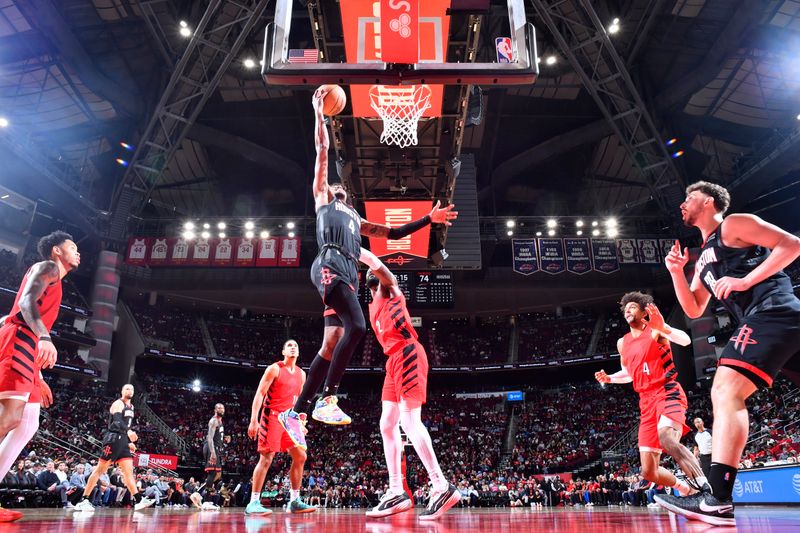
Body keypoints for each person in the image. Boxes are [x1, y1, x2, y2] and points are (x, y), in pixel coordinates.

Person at [278, 87, 457, 449]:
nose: (339, 186)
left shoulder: (355, 220)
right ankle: (329, 398)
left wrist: (429, 218)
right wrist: (319, 114)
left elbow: (393, 233)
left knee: (331, 343)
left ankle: (295, 412)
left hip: (345, 271)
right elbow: (323, 151)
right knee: (358, 326)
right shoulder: (324, 199)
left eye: (343, 187)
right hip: (328, 264)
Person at [655, 181, 800, 526]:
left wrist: (746, 280)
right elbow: (693, 309)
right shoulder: (704, 254)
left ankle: (718, 499)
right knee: (726, 390)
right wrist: (676, 272)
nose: (682, 204)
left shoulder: (733, 224)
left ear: (708, 201)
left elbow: (792, 245)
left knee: (724, 389)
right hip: (775, 321)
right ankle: (717, 498)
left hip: (773, 312)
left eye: (688, 198)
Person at [360, 248, 460, 520]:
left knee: (409, 422)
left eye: (377, 280)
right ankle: (396, 491)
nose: (376, 284)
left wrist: (357, 251)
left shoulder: (393, 292)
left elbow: (383, 272)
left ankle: (441, 485)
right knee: (386, 424)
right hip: (393, 361)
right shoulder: (372, 308)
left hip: (407, 352)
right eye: (372, 282)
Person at [595, 292, 707, 500]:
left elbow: (685, 340)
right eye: (625, 308)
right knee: (648, 471)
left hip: (667, 391)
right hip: (645, 401)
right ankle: (685, 489)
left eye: (633, 307)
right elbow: (629, 373)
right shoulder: (623, 342)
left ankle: (706, 490)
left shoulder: (655, 330)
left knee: (666, 437)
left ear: (644, 311)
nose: (628, 309)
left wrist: (664, 327)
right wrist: (610, 378)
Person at [0, 231, 79, 522]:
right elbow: (24, 304)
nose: (78, 252)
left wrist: (37, 375)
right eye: (73, 247)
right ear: (57, 251)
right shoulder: (46, 267)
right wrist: (44, 337)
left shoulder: (56, 280)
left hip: (27, 347)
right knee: (9, 418)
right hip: (21, 338)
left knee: (28, 423)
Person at [245, 339, 315, 516]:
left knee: (300, 456)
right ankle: (253, 502)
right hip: (273, 416)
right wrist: (254, 419)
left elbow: (300, 402)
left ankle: (295, 501)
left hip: (290, 419)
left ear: (298, 353)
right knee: (267, 458)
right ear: (283, 351)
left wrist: (301, 423)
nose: (293, 348)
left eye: (296, 346)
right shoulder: (274, 368)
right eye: (289, 346)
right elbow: (260, 393)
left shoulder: (302, 374)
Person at [74, 384, 155, 512]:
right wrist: (128, 433)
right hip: (112, 438)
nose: (130, 391)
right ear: (122, 391)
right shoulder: (118, 403)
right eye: (127, 388)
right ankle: (84, 500)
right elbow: (117, 421)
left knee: (129, 472)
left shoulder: (132, 407)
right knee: (100, 470)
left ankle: (139, 500)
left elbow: (124, 424)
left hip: (122, 440)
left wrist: (127, 441)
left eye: (132, 389)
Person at [203, 403, 225, 493]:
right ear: (215, 410)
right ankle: (206, 498)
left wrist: (225, 438)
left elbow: (216, 436)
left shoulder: (220, 421)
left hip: (215, 447)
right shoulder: (214, 421)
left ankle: (204, 487)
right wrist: (212, 452)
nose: (222, 410)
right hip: (211, 447)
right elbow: (210, 438)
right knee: (212, 473)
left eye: (223, 408)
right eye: (219, 408)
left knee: (218, 474)